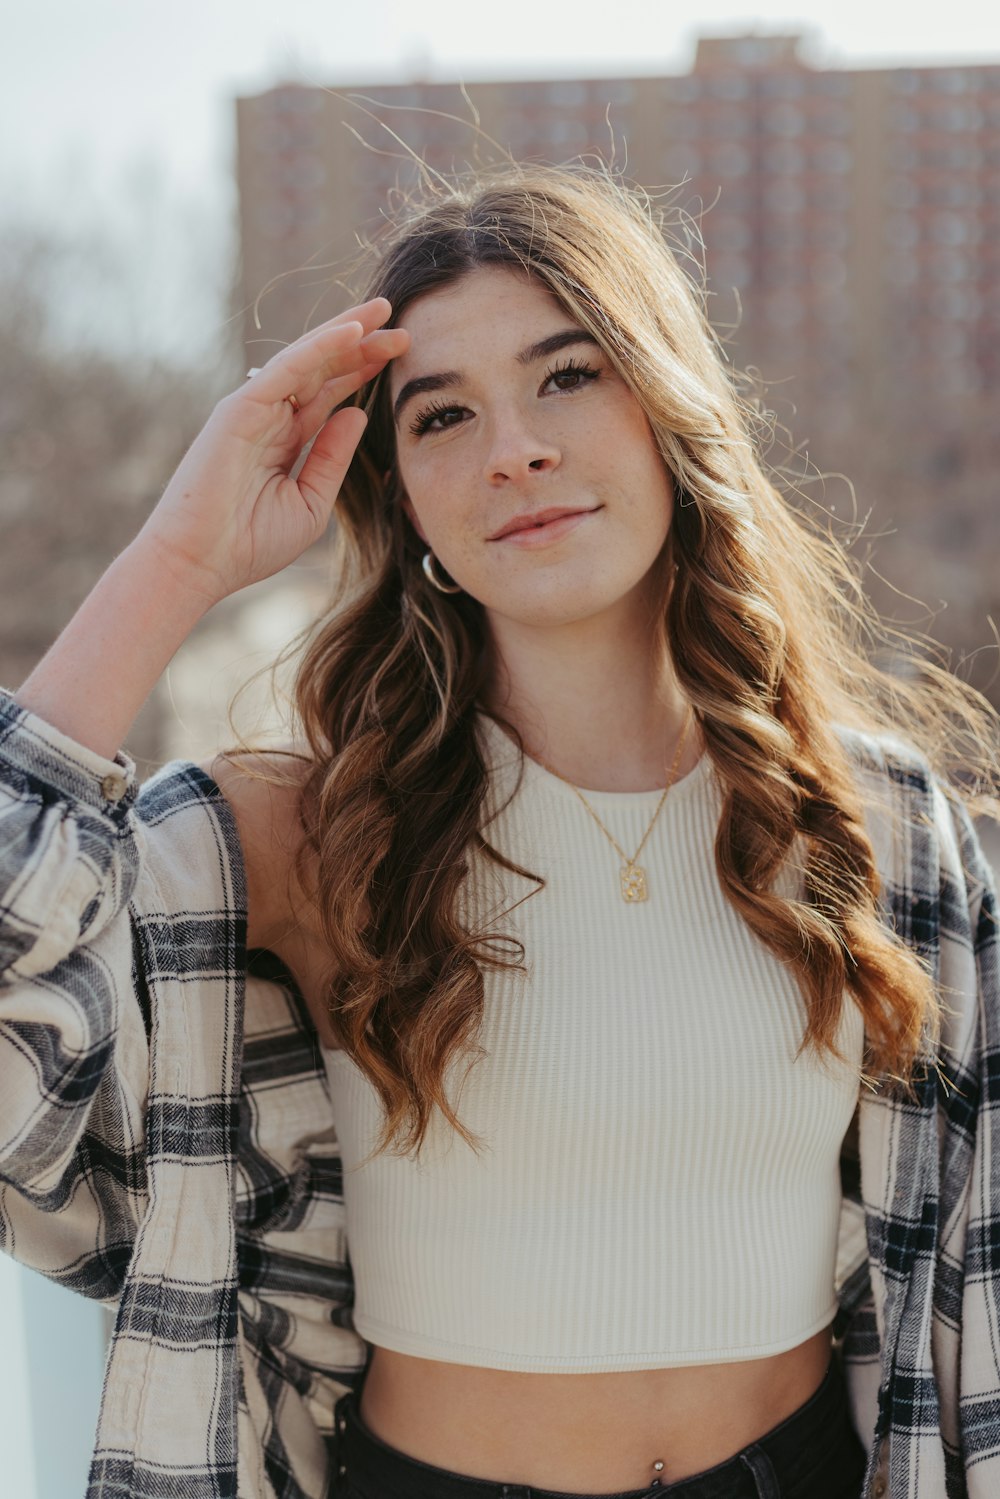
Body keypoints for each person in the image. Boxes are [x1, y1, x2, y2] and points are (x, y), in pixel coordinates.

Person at [1, 161, 998, 1499]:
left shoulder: (875, 825)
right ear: (400, 493)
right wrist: (179, 557)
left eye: (568, 377)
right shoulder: (310, 826)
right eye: (441, 416)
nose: (512, 450)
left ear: (666, 407)